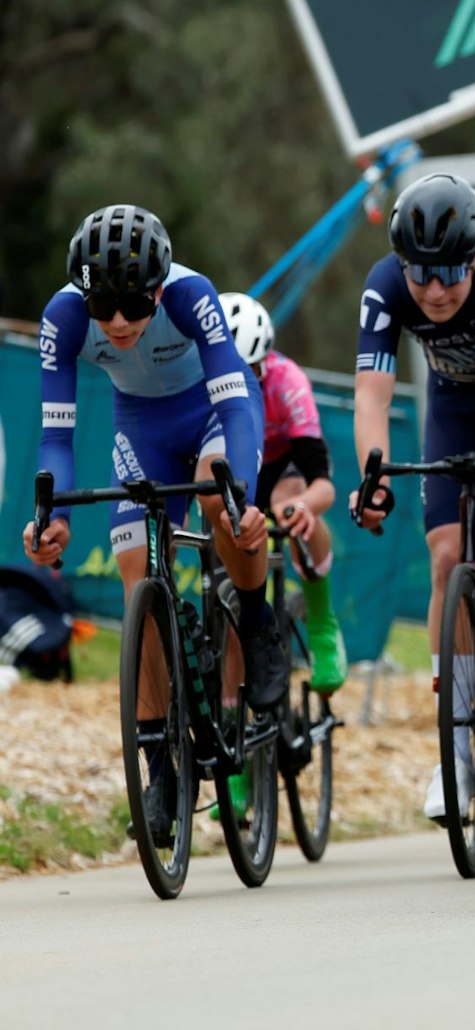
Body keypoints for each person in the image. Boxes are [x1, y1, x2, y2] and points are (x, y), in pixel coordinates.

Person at [23, 206, 276, 845]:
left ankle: (255, 614)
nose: (116, 322)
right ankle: (161, 767)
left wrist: (241, 495)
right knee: (140, 578)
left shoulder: (192, 295)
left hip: (216, 412)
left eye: (134, 304)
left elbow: (234, 400)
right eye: (103, 305)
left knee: (223, 506)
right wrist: (47, 519)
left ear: (158, 289)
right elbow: (56, 434)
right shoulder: (63, 317)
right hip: (141, 425)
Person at [351, 172, 475, 822]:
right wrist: (373, 478)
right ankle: (452, 749)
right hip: (451, 411)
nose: (432, 291)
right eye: (418, 275)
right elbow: (372, 397)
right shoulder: (386, 286)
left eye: (449, 274)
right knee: (447, 555)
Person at [222, 291, 346, 694]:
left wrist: (302, 506)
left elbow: (323, 487)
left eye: (251, 372)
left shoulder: (288, 381)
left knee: (290, 505)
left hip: (281, 467)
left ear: (265, 361)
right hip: (235, 469)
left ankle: (322, 619)